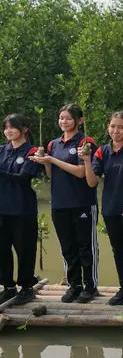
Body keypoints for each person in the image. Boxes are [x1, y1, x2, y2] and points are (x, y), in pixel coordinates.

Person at [29, 104, 99, 304]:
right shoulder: (54, 144)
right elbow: (52, 175)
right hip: (60, 202)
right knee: (67, 247)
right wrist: (47, 163)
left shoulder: (85, 142)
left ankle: (90, 286)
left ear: (79, 121)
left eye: (68, 118)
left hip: (82, 202)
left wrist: (52, 159)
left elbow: (80, 172)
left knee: (86, 247)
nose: (64, 122)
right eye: (61, 118)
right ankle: (74, 285)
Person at [83, 111, 123, 305]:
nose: (116, 131)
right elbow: (92, 182)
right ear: (108, 128)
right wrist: (86, 160)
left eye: (120, 127)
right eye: (112, 126)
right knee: (117, 248)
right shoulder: (102, 151)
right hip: (110, 207)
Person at [0, 114, 42, 306]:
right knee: (2, 250)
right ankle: (8, 286)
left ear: (24, 129)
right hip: (2, 209)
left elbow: (24, 178)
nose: (9, 131)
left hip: (22, 209)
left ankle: (26, 287)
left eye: (13, 127)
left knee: (24, 250)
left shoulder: (32, 151)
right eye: (6, 127)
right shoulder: (2, 151)